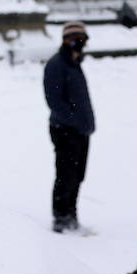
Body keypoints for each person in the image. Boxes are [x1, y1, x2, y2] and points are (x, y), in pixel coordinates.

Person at [43, 20, 94, 233]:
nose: (79, 44)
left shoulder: (75, 64)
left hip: (81, 130)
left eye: (83, 40)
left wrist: (87, 123)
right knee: (66, 176)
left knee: (78, 176)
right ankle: (60, 220)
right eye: (75, 40)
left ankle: (72, 217)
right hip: (65, 130)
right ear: (66, 41)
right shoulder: (56, 65)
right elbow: (55, 101)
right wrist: (74, 121)